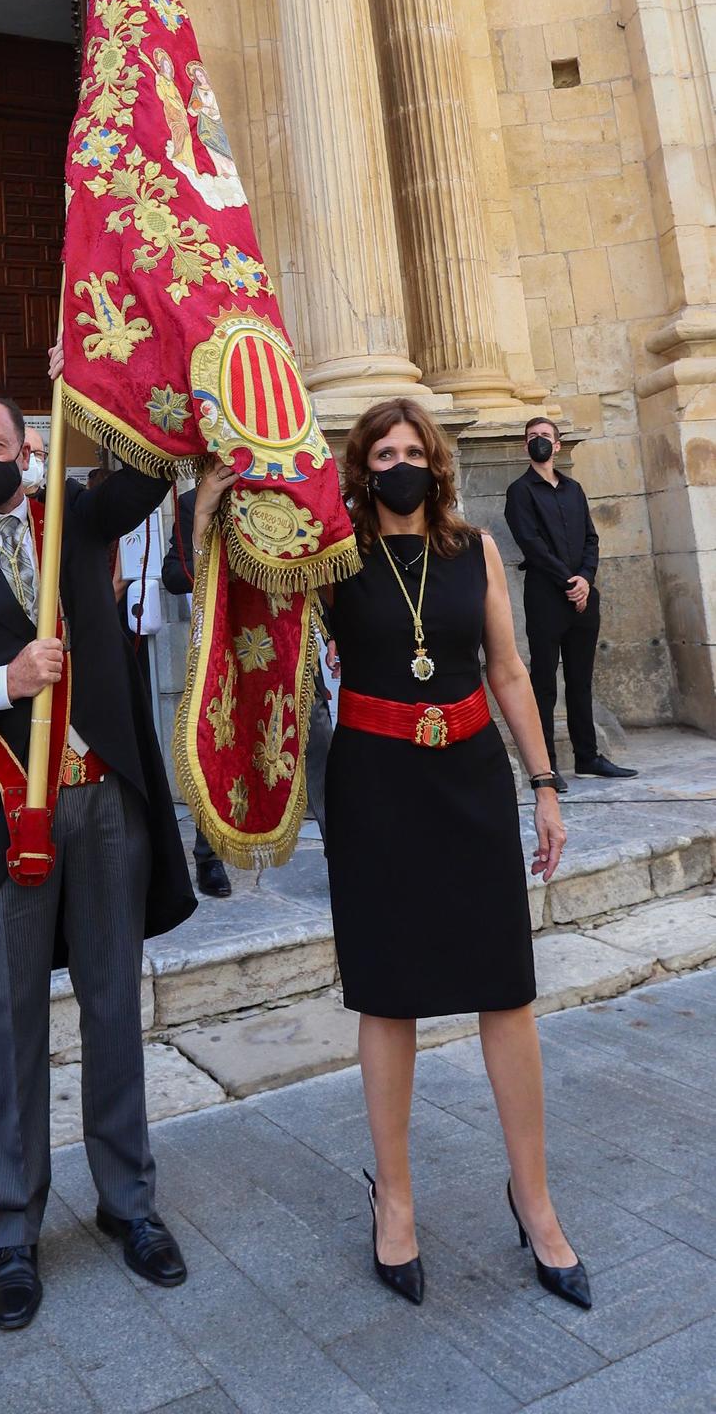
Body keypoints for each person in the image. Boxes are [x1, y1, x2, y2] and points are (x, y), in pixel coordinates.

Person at [0, 355, 196, 1331]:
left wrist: (104, 387)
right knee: (7, 1023)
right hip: (6, 814)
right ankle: (13, 1228)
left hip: (103, 806)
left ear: (28, 448)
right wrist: (3, 680)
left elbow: (153, 473)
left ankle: (128, 1203)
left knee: (113, 1006)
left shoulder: (76, 514)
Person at [316, 398, 590, 1312]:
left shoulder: (472, 549)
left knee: (504, 988)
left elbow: (507, 670)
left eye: (412, 451)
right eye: (382, 452)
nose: (399, 464)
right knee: (387, 993)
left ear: (436, 462)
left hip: (470, 781)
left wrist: (545, 783)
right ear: (361, 468)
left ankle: (535, 1201)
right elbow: (239, 614)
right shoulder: (331, 554)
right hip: (375, 789)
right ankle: (393, 1202)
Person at [505, 418, 635, 786]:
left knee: (581, 680)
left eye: (545, 436)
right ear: (525, 446)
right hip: (547, 596)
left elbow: (591, 540)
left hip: (582, 596)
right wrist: (569, 582)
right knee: (544, 682)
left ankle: (588, 757)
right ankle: (546, 766)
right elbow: (531, 544)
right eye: (532, 437)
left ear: (557, 445)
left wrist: (585, 580)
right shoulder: (520, 491)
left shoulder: (574, 489)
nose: (538, 442)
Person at [159, 485, 233, 897]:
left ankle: (336, 847)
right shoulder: (192, 502)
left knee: (314, 737)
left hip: (283, 640)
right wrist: (213, 565)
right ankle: (209, 856)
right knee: (213, 744)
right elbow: (173, 575)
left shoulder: (283, 492)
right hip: (220, 643)